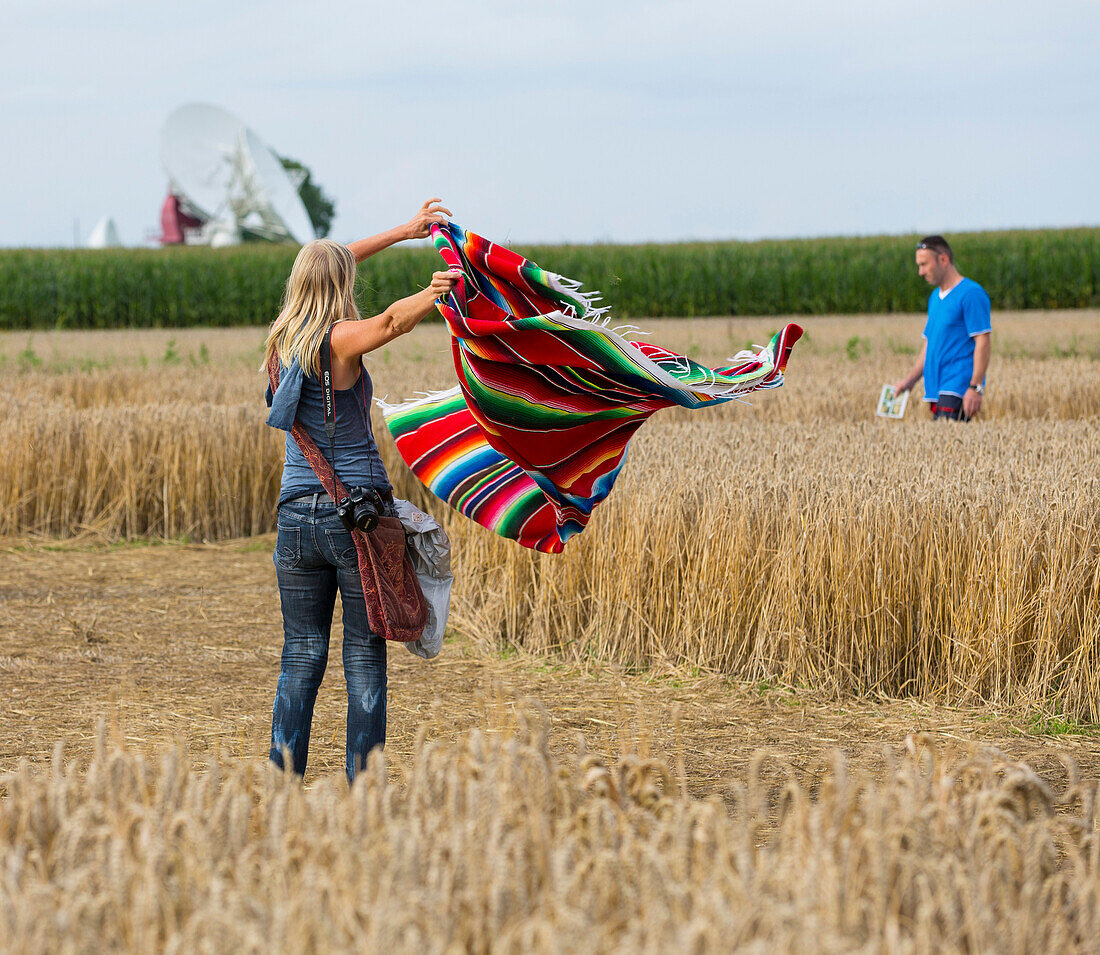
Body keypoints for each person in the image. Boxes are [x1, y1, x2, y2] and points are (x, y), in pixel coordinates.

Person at [262, 199, 459, 782]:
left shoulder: (280, 344)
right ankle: (364, 789)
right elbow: (392, 323)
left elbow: (334, 260)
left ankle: (282, 781)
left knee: (301, 655)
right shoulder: (338, 340)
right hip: (358, 520)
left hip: (295, 518)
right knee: (364, 657)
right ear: (339, 285)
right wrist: (436, 291)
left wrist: (405, 231)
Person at [891, 235, 992, 420]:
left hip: (958, 389)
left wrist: (975, 387)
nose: (920, 272)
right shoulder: (935, 298)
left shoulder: (971, 294)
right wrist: (909, 381)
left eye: (924, 264)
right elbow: (931, 344)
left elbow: (983, 340)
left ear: (943, 260)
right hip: (935, 389)